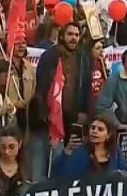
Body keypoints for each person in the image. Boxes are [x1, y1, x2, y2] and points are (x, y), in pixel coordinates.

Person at [30, 23, 91, 180]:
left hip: (72, 115)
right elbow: (42, 86)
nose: (74, 38)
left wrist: (83, 110)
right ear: (62, 36)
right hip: (50, 115)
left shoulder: (82, 56)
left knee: (67, 156)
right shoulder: (50, 55)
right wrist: (46, 112)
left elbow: (86, 85)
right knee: (46, 157)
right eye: (70, 34)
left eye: (77, 35)